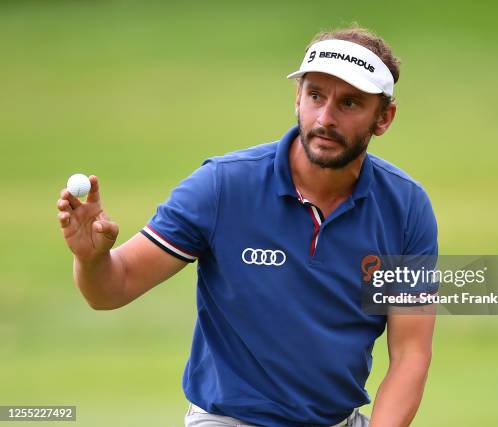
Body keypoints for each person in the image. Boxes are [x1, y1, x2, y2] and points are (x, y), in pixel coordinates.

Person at [57, 26, 438, 427]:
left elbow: (411, 352)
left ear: (384, 118)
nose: (326, 118)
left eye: (349, 103)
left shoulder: (406, 208)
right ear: (297, 98)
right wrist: (92, 259)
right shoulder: (222, 186)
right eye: (315, 96)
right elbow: (111, 290)